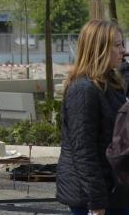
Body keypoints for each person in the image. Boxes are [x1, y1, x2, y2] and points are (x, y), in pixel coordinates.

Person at [56, 19, 129, 215]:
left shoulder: (112, 83)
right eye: (117, 45)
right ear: (99, 49)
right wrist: (96, 202)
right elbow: (83, 151)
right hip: (93, 196)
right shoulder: (83, 90)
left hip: (114, 189)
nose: (123, 49)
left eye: (123, 44)